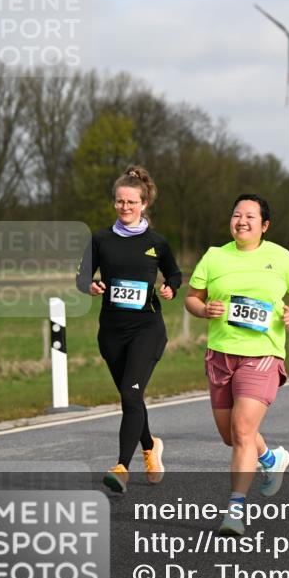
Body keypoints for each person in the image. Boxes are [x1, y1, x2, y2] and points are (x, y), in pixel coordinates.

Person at [185, 194, 289, 535]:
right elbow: (192, 297)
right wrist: (203, 309)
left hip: (263, 353)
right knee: (231, 436)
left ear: (264, 225)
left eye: (250, 216)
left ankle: (235, 511)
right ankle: (270, 458)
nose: (241, 221)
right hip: (221, 354)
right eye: (236, 214)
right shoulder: (214, 256)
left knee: (242, 430)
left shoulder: (281, 257)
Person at [77, 166, 181, 494]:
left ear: (144, 203)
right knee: (130, 396)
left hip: (146, 329)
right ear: (114, 202)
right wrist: (91, 285)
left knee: (131, 394)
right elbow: (81, 277)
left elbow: (175, 274)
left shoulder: (156, 243)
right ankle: (150, 447)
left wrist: (171, 288)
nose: (125, 207)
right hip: (111, 332)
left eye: (131, 202)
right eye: (120, 201)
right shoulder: (100, 239)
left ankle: (121, 467)